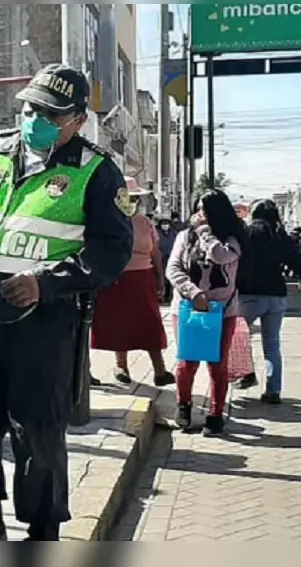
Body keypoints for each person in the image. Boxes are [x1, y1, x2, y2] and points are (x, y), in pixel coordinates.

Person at [0, 64, 133, 541]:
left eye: (48, 113)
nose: (34, 118)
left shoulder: (95, 170)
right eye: (29, 107)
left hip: (40, 325)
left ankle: (42, 527)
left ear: (75, 120)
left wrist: (47, 282)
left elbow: (112, 252)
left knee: (38, 433)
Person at [167, 190, 244, 437]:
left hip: (221, 310)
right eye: (198, 209)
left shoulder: (231, 240)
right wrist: (193, 292)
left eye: (206, 210)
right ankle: (183, 405)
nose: (200, 215)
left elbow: (220, 257)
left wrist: (205, 232)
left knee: (217, 364)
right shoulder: (183, 237)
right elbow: (174, 268)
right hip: (188, 307)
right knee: (186, 362)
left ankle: (215, 413)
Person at [90, 176, 175, 387]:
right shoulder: (106, 221)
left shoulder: (145, 222)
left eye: (135, 198)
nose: (133, 202)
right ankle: (121, 367)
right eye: (129, 198)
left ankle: (160, 370)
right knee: (119, 324)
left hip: (142, 278)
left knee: (150, 324)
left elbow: (155, 252)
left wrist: (160, 278)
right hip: (115, 279)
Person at [235, 199, 301, 403]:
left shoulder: (248, 233)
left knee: (239, 337)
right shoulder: (280, 236)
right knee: (271, 346)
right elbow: (297, 260)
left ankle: (246, 374)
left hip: (249, 293)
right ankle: (273, 390)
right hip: (276, 295)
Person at [156, 213, 180, 303]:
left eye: (167, 223)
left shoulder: (174, 233)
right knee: (161, 278)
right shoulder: (157, 233)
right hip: (161, 259)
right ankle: (162, 296)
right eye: (163, 223)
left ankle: (170, 297)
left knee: (171, 278)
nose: (165, 225)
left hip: (171, 258)